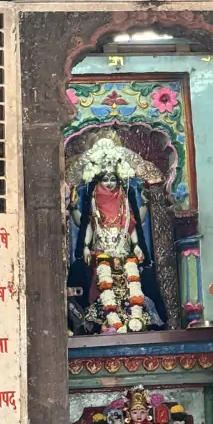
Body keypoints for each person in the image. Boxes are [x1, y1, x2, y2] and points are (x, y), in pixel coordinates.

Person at [67, 136, 167, 334]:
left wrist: (137, 245)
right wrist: (85, 247)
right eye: (105, 179)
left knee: (132, 286)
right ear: (98, 180)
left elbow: (132, 226)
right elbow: (88, 225)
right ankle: (109, 321)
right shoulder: (94, 202)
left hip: (124, 253)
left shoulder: (124, 201)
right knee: (105, 289)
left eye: (113, 179)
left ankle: (133, 318)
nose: (110, 183)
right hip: (101, 256)